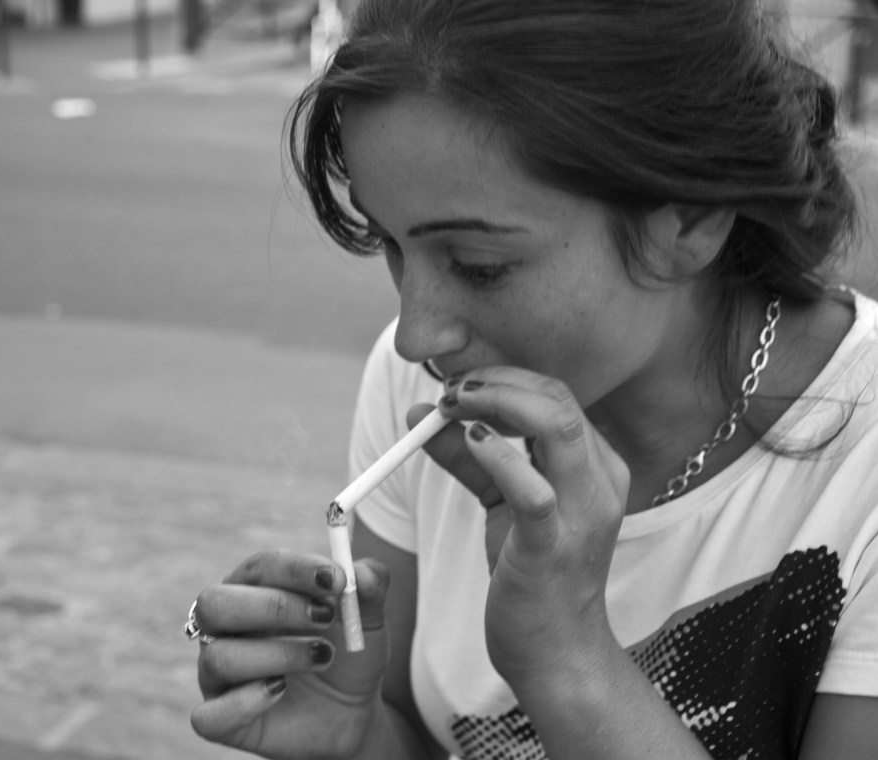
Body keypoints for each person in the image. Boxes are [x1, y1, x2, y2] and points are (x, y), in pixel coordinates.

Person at [185, 1, 878, 758]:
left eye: (481, 266)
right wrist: (354, 737)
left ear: (690, 220)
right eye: (389, 243)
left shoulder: (859, 474)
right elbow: (417, 737)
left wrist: (569, 658)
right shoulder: (414, 382)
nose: (417, 335)